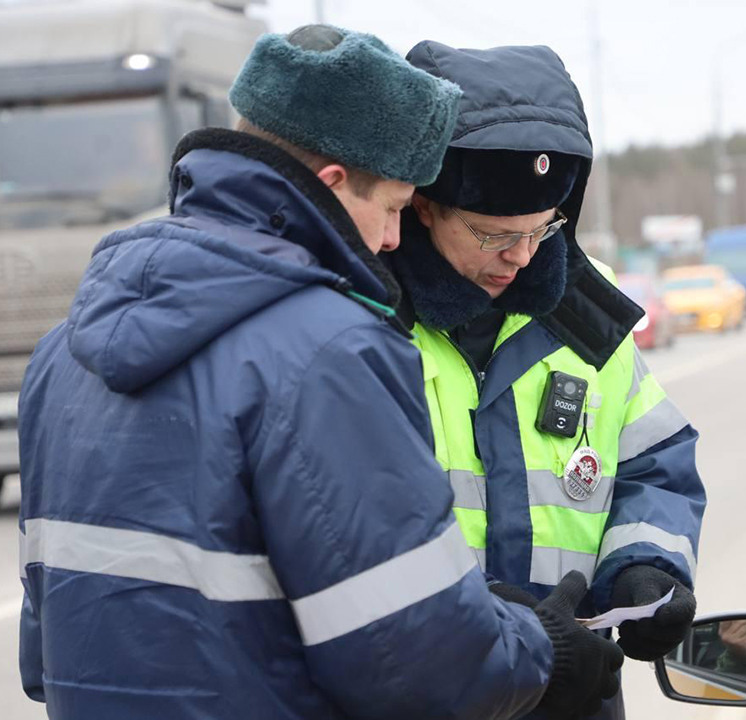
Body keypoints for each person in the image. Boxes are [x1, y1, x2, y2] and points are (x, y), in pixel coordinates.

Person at [17, 26, 622, 720]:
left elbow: (43, 655)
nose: (393, 240)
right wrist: (545, 650)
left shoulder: (61, 351)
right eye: (393, 207)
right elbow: (417, 665)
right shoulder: (329, 349)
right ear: (333, 183)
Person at [386, 41, 708, 718]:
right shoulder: (366, 329)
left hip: (575, 695)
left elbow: (656, 462)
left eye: (544, 228)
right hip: (428, 694)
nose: (524, 257)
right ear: (420, 204)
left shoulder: (586, 317)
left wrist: (648, 562)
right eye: (492, 234)